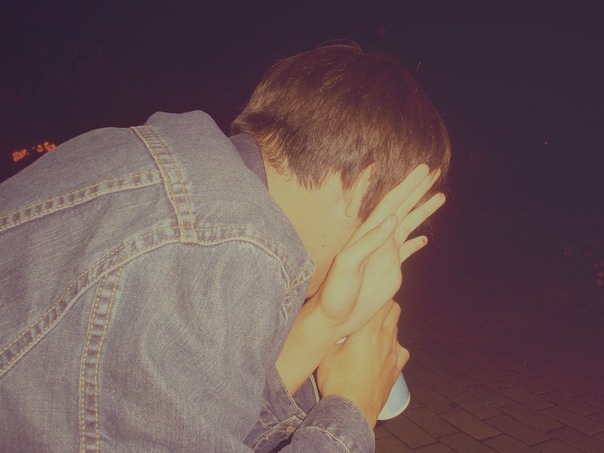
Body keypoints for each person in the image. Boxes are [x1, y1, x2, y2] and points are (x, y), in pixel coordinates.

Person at [0, 42, 450, 451]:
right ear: (363, 187)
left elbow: (217, 417)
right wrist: (352, 408)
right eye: (395, 226)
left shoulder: (184, 179)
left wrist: (326, 321)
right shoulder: (231, 245)